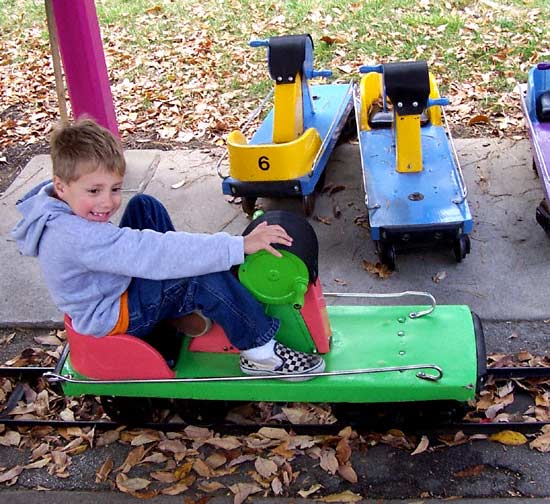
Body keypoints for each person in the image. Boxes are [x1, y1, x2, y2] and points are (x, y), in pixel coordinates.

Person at [11, 118, 325, 380]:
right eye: (94, 190)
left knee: (143, 207)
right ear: (62, 185)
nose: (107, 202)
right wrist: (238, 246)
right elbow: (155, 252)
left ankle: (177, 311)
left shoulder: (53, 203)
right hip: (111, 314)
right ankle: (261, 353)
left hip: (107, 288)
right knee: (199, 277)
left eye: (114, 188)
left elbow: (142, 248)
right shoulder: (74, 236)